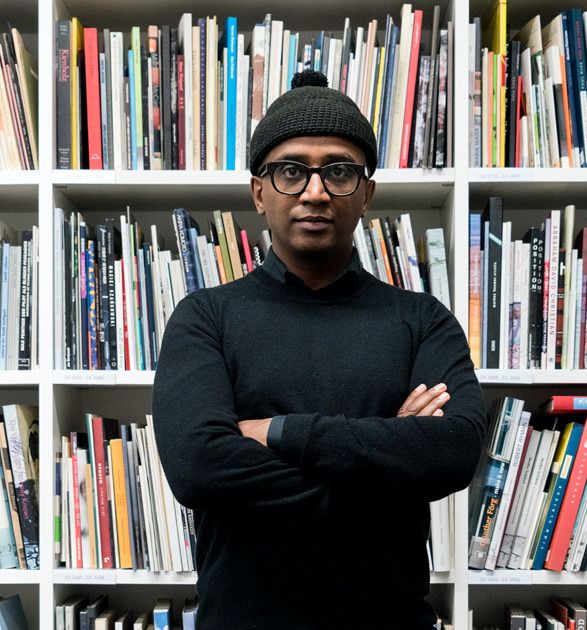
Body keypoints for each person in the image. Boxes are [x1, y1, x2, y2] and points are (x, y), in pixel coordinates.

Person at [152, 69, 486, 630]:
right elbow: (198, 468)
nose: (314, 190)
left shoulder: (421, 319)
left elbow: (452, 451)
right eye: (290, 170)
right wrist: (386, 472)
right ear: (259, 192)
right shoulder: (205, 317)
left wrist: (278, 432)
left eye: (338, 170)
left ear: (367, 194)